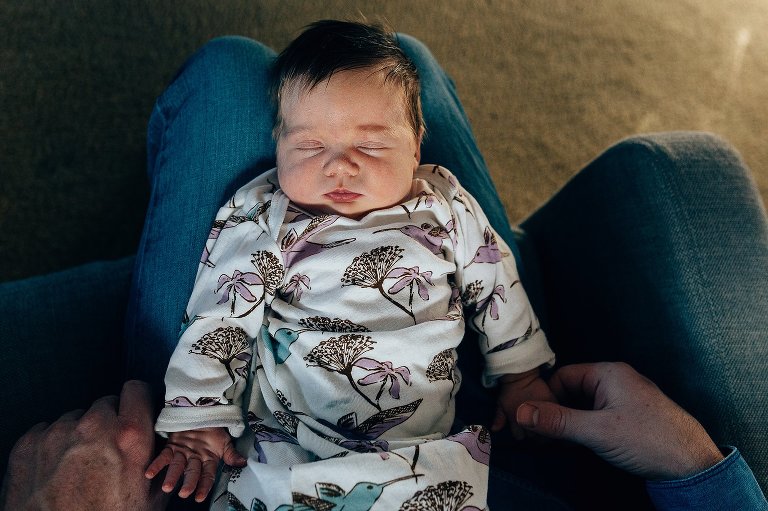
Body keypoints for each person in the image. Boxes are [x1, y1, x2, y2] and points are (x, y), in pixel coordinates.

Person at [144, 20, 556, 510]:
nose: (339, 166)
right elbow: (220, 316)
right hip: (287, 449)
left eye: (371, 145)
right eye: (309, 147)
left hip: (419, 461)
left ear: (417, 147)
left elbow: (495, 285)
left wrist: (520, 375)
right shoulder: (265, 212)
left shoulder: (443, 204)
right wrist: (201, 422)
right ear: (277, 147)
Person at [3, 364, 766, 510]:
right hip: (509, 449)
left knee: (231, 82)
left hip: (208, 465)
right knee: (402, 94)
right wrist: (698, 471)